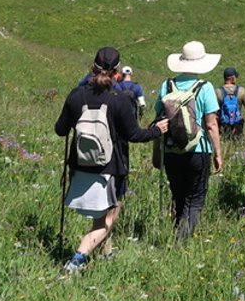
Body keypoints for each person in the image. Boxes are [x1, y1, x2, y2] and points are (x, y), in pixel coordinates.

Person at [55, 47, 166, 275]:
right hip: (110, 168)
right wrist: (156, 131)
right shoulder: (120, 100)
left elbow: (60, 130)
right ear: (117, 71)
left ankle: (106, 252)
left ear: (92, 67)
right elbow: (134, 135)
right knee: (109, 216)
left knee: (100, 216)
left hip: (80, 165)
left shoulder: (76, 95)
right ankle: (77, 260)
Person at [155, 40, 224, 241]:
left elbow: (159, 122)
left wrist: (156, 152)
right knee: (194, 200)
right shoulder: (205, 87)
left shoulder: (167, 85)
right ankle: (181, 242)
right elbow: (211, 125)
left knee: (178, 196)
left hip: (170, 150)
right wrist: (218, 154)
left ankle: (177, 233)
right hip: (198, 150)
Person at [216, 66, 245, 145]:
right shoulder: (241, 90)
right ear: (232, 78)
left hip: (223, 126)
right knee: (238, 146)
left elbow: (214, 112)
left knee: (224, 145)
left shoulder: (218, 91)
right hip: (237, 126)